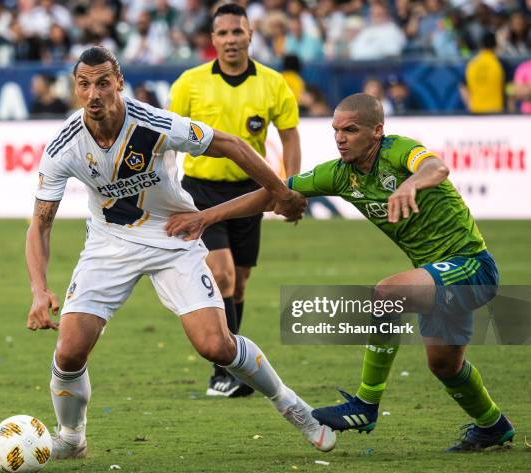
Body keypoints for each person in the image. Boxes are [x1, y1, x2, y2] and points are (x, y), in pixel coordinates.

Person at [25, 46, 336, 460]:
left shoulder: (153, 123)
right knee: (68, 350)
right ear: (75, 88)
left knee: (216, 346)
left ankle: (291, 404)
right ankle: (71, 436)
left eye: (103, 83)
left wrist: (281, 192)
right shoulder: (64, 145)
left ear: (119, 82)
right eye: (84, 84)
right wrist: (39, 289)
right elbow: (40, 224)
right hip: (109, 243)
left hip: (174, 234)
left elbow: (231, 144)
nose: (94, 93)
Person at [166, 93, 515, 453]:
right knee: (445, 366)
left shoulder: (399, 151)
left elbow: (436, 168)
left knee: (387, 294)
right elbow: (274, 193)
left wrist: (411, 183)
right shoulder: (340, 175)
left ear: (377, 131)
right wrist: (206, 217)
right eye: (336, 130)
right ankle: (494, 427)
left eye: (350, 129)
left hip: (472, 266)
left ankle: (366, 404)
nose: (340, 137)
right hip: (433, 276)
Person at [169, 3, 301, 397]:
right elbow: (166, 140)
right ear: (212, 40)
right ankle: (221, 372)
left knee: (240, 284)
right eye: (222, 33)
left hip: (252, 193)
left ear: (250, 35)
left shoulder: (273, 83)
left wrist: (289, 188)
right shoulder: (189, 83)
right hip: (201, 192)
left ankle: (232, 362)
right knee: (222, 274)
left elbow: (290, 134)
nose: (230, 40)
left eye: (237, 32)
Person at [460, 31, 505, 114]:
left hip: (476, 111)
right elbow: (509, 88)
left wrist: (470, 105)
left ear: (480, 45)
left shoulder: (472, 64)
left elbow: (463, 87)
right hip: (497, 111)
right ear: (496, 45)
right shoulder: (500, 64)